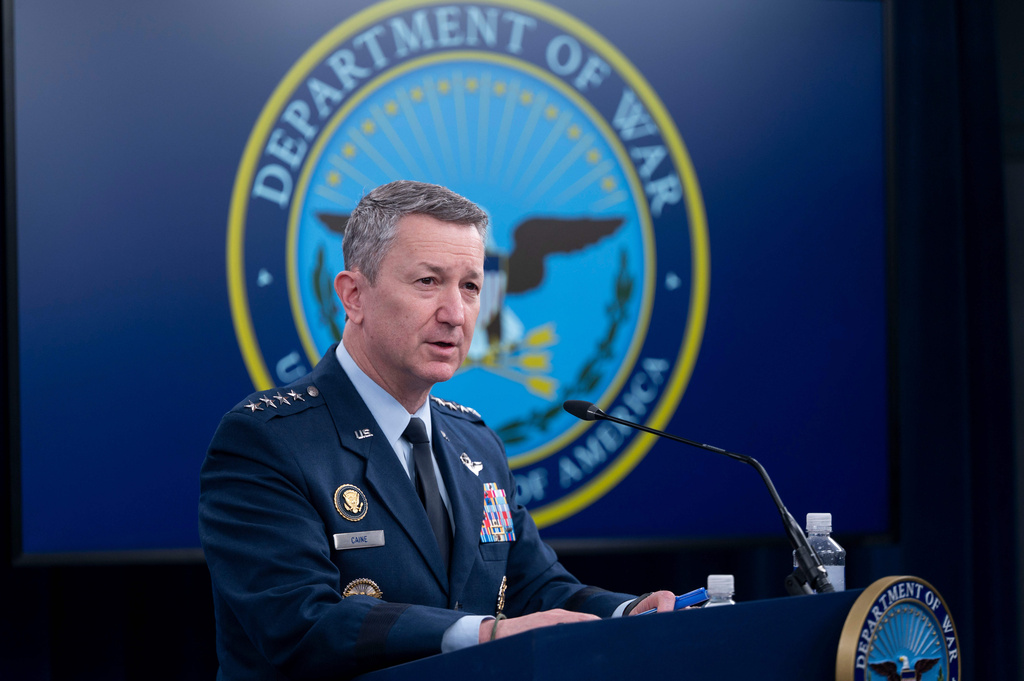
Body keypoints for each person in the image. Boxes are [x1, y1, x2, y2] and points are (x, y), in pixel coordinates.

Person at [199, 180, 677, 680]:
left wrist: (630, 612)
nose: (456, 314)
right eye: (429, 281)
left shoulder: (475, 442)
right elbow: (299, 623)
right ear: (354, 295)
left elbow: (534, 588)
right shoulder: (266, 440)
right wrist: (485, 633)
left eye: (470, 286)